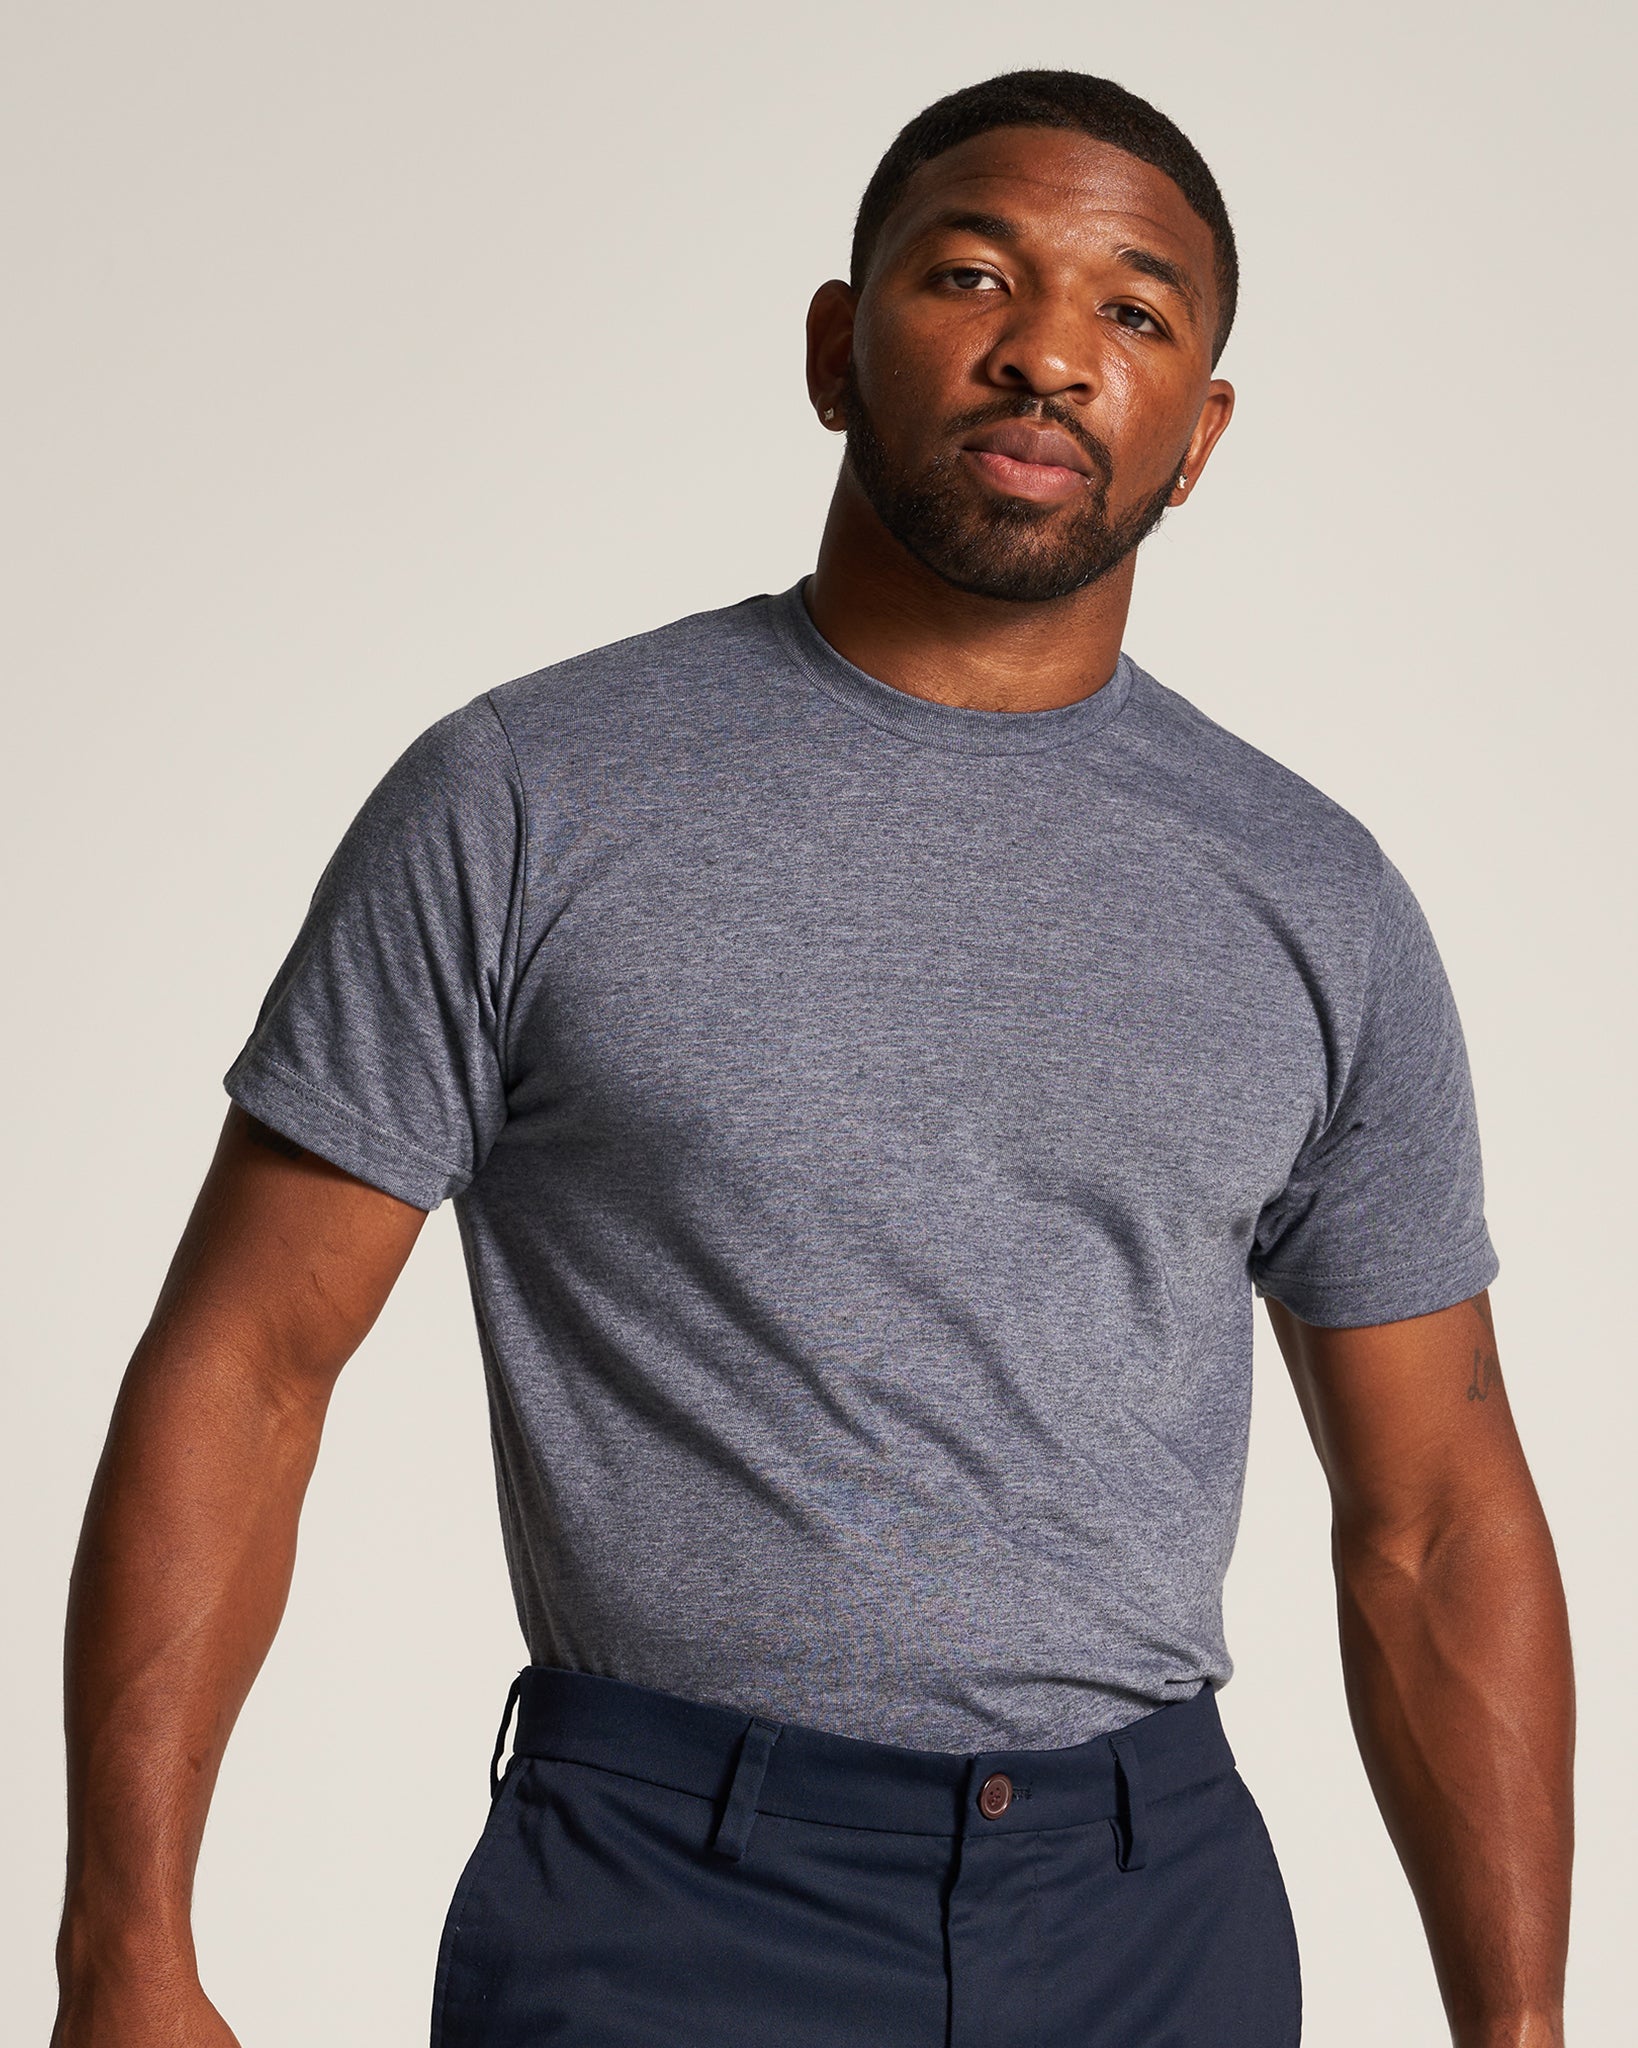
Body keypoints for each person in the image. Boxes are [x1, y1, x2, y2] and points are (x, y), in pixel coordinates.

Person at [51, 68, 1573, 2048]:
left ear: (1196, 436)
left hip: (1152, 1909)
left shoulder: (1315, 894)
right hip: (670, 1893)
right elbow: (246, 1363)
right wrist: (123, 1948)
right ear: (832, 349)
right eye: (971, 274)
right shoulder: (526, 800)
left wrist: (1521, 2028)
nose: (1046, 351)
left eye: (1135, 312)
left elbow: (1441, 1503)